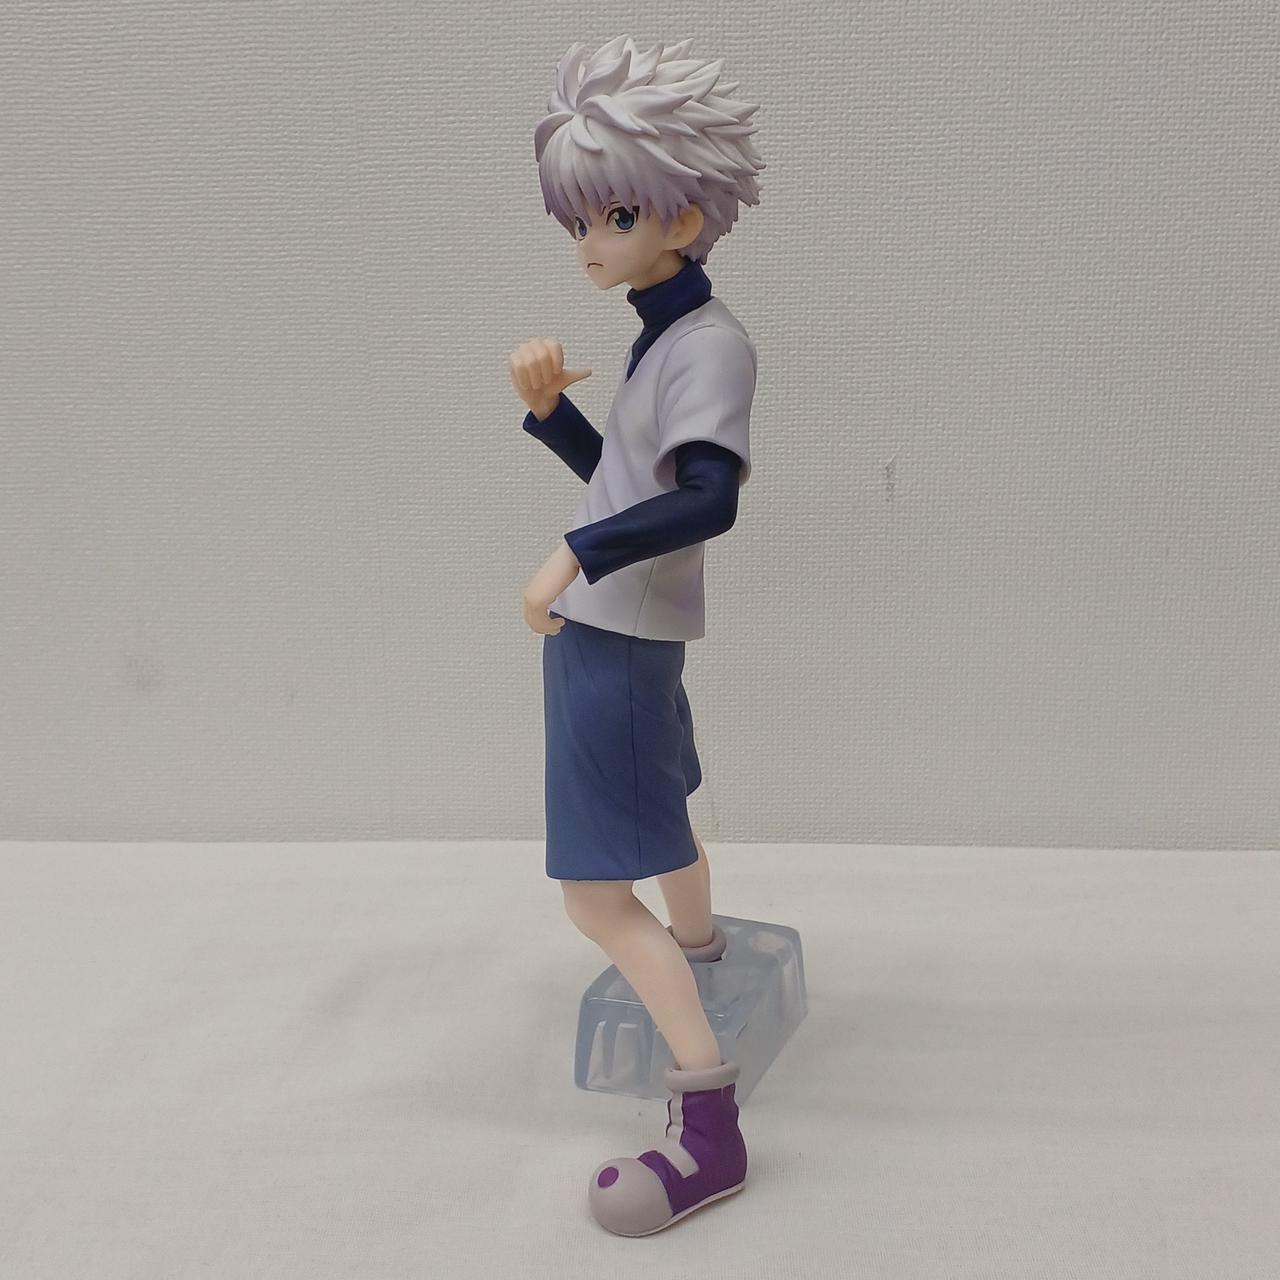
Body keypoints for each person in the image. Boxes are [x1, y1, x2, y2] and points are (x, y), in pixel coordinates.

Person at [507, 34, 765, 1236]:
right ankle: (700, 946)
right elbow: (632, 476)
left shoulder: (708, 345)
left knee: (594, 895)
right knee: (663, 814)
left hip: (612, 634)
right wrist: (552, 418)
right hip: (623, 632)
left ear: (684, 216)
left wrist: (575, 553)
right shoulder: (666, 334)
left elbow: (706, 496)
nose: (587, 241)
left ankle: (706, 1127)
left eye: (610, 214)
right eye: (579, 218)